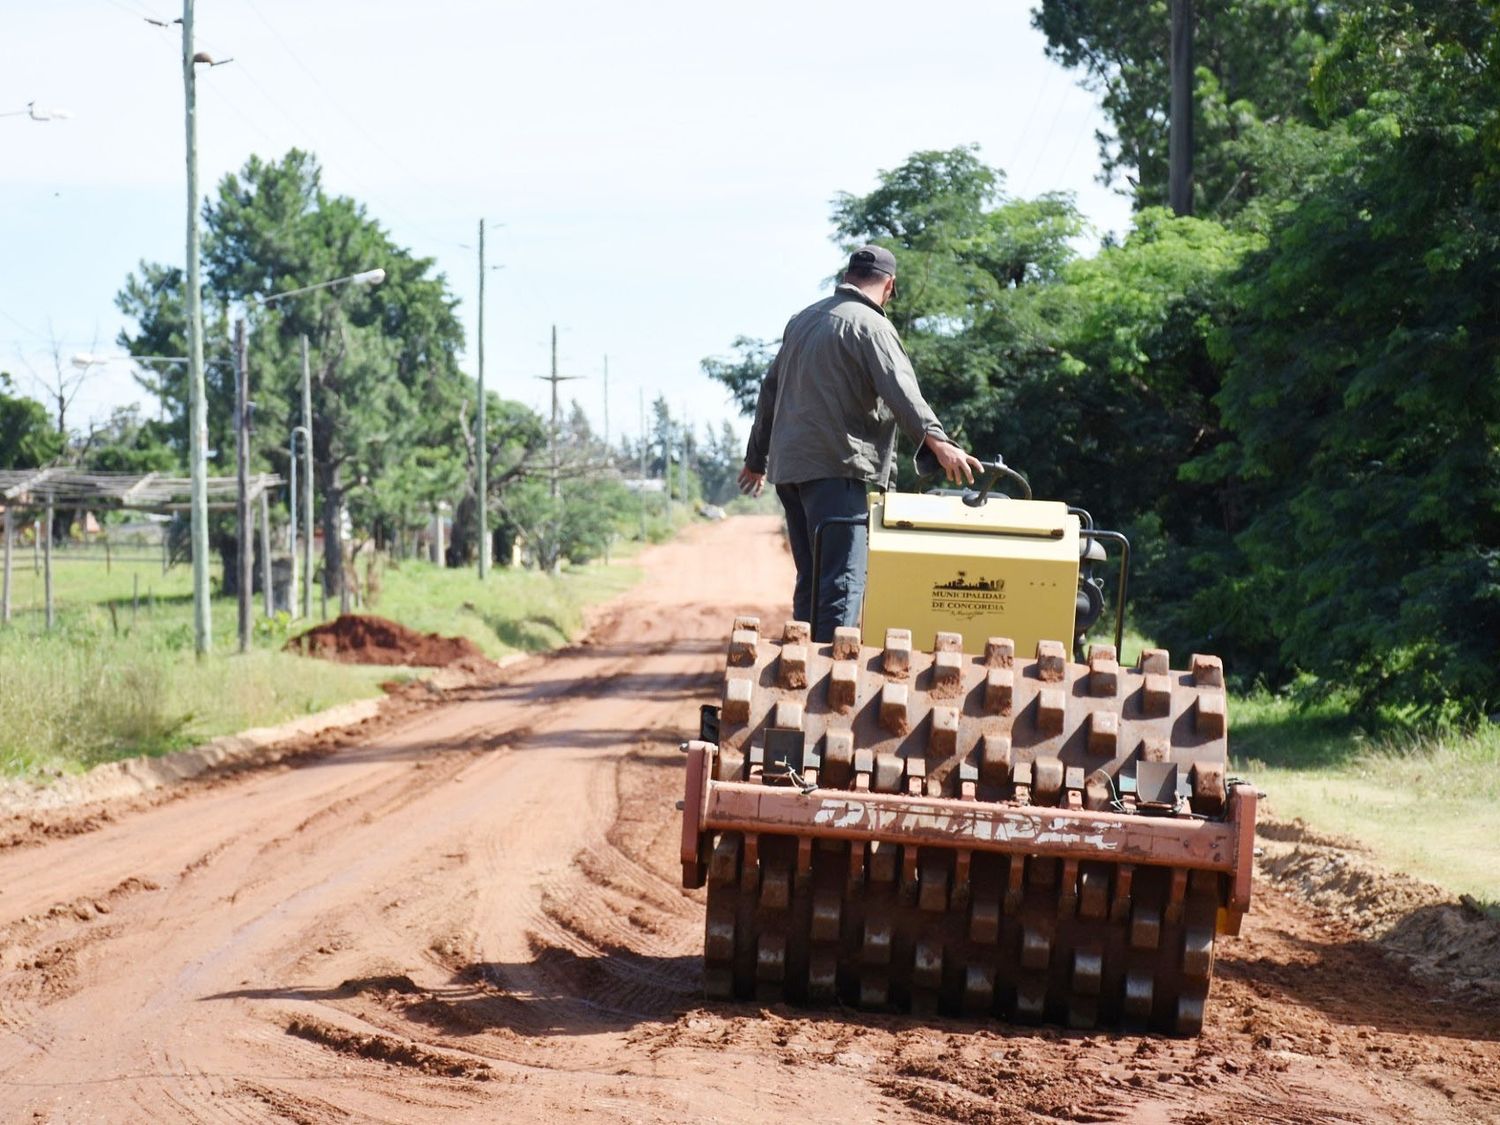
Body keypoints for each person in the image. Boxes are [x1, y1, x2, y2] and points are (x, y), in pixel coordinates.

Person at [738, 244, 982, 642]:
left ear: (849, 276)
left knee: (813, 581)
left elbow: (769, 390)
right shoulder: (872, 325)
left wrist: (756, 459)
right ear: (889, 285)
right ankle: (828, 685)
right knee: (841, 582)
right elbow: (900, 389)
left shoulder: (803, 321)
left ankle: (802, 672)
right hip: (837, 468)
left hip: (790, 472)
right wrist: (937, 439)